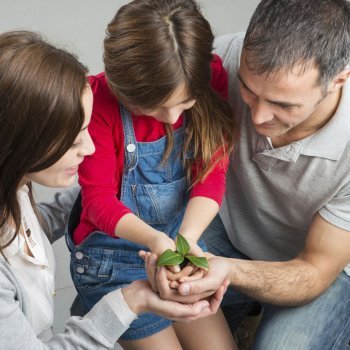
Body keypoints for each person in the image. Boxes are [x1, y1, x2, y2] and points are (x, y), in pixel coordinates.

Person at [0, 30, 229, 350]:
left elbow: (35, 224)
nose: (90, 147)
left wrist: (115, 194)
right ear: (22, 138)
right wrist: (130, 300)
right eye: (76, 136)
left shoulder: (14, 189)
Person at [143, 0, 350, 349]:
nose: (257, 118)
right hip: (226, 226)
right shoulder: (224, 56)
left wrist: (230, 271)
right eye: (249, 91)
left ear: (339, 79)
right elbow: (137, 149)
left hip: (317, 267)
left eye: (284, 105)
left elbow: (315, 270)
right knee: (141, 286)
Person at [66, 0, 238, 349]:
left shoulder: (207, 75)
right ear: (121, 84)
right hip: (110, 263)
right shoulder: (98, 102)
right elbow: (98, 201)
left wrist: (185, 241)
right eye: (155, 106)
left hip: (176, 243)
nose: (174, 117)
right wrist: (155, 242)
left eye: (185, 103)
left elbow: (211, 171)